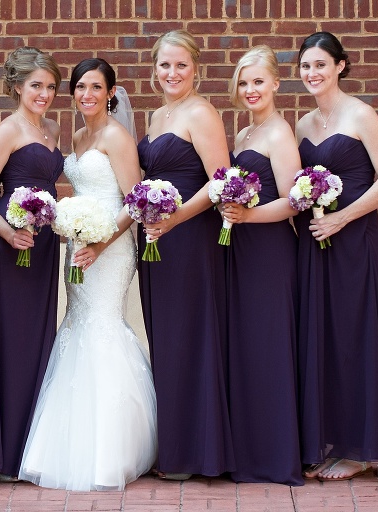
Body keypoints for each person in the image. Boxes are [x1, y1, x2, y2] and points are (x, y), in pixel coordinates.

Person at [18, 58, 157, 491]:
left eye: (96, 88)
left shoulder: (117, 137)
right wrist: (75, 233)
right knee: (76, 325)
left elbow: (134, 202)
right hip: (78, 247)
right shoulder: (76, 136)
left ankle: (112, 450)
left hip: (109, 250)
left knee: (103, 325)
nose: (87, 95)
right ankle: (65, 441)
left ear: (110, 93)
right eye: (80, 87)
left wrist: (99, 244)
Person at [294, 32, 378, 481]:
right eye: (305, 66)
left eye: (320, 64)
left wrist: (342, 219)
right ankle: (326, 437)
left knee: (354, 337)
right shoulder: (301, 125)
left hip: (354, 244)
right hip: (313, 244)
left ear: (340, 66)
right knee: (320, 337)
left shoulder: (361, 114)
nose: (312, 73)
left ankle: (360, 448)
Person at [137, 29, 234, 480]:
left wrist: (174, 219)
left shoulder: (201, 112)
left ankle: (198, 451)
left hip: (190, 239)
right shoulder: (157, 116)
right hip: (155, 241)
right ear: (154, 69)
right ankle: (174, 444)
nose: (172, 73)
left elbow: (221, 182)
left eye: (180, 65)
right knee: (166, 338)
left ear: (196, 68)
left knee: (190, 336)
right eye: (164, 65)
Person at [0, 46, 63, 482]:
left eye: (49, 87)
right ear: (17, 87)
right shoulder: (8, 130)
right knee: (7, 340)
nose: (43, 94)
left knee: (35, 341)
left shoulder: (55, 129)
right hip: (10, 244)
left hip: (43, 247)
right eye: (35, 86)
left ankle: (28, 448)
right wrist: (8, 234)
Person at [221, 45, 303, 485]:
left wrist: (248, 215)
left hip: (270, 252)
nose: (250, 89)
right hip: (241, 251)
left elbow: (292, 201)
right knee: (247, 346)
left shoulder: (278, 133)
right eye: (244, 82)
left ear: (275, 83)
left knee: (269, 346)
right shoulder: (242, 135)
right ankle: (249, 449)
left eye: (258, 81)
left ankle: (275, 455)